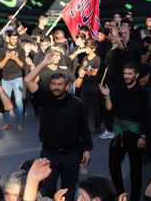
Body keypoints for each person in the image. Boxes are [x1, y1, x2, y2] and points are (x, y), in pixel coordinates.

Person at [24, 53, 92, 201]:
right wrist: (44, 63)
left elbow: (84, 128)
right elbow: (28, 79)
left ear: (66, 86)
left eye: (59, 84)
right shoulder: (44, 99)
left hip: (72, 155)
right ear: (50, 85)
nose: (56, 87)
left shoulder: (76, 103)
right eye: (53, 84)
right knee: (47, 191)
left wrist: (86, 149)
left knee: (69, 191)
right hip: (49, 154)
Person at [99, 63, 149, 201]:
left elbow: (146, 115)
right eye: (125, 73)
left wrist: (143, 137)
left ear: (136, 75)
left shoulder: (143, 93)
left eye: (130, 74)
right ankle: (120, 194)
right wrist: (107, 96)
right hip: (120, 134)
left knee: (135, 170)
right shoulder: (119, 90)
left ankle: (134, 198)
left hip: (135, 134)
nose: (127, 76)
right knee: (113, 164)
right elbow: (110, 108)